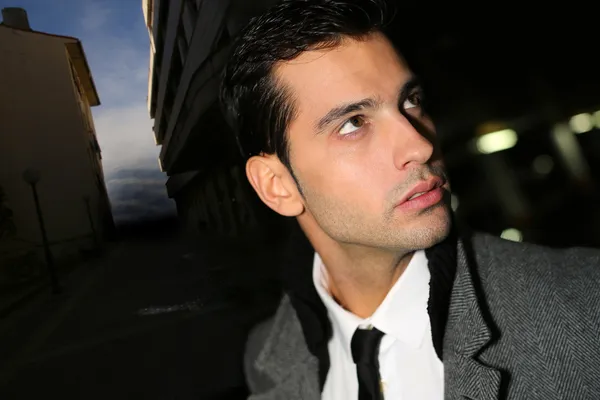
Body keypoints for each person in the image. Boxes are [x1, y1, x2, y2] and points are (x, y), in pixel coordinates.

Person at [219, 0, 600, 398]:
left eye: (411, 101)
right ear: (277, 185)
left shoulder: (585, 306)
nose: (419, 146)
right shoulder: (268, 355)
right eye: (353, 123)